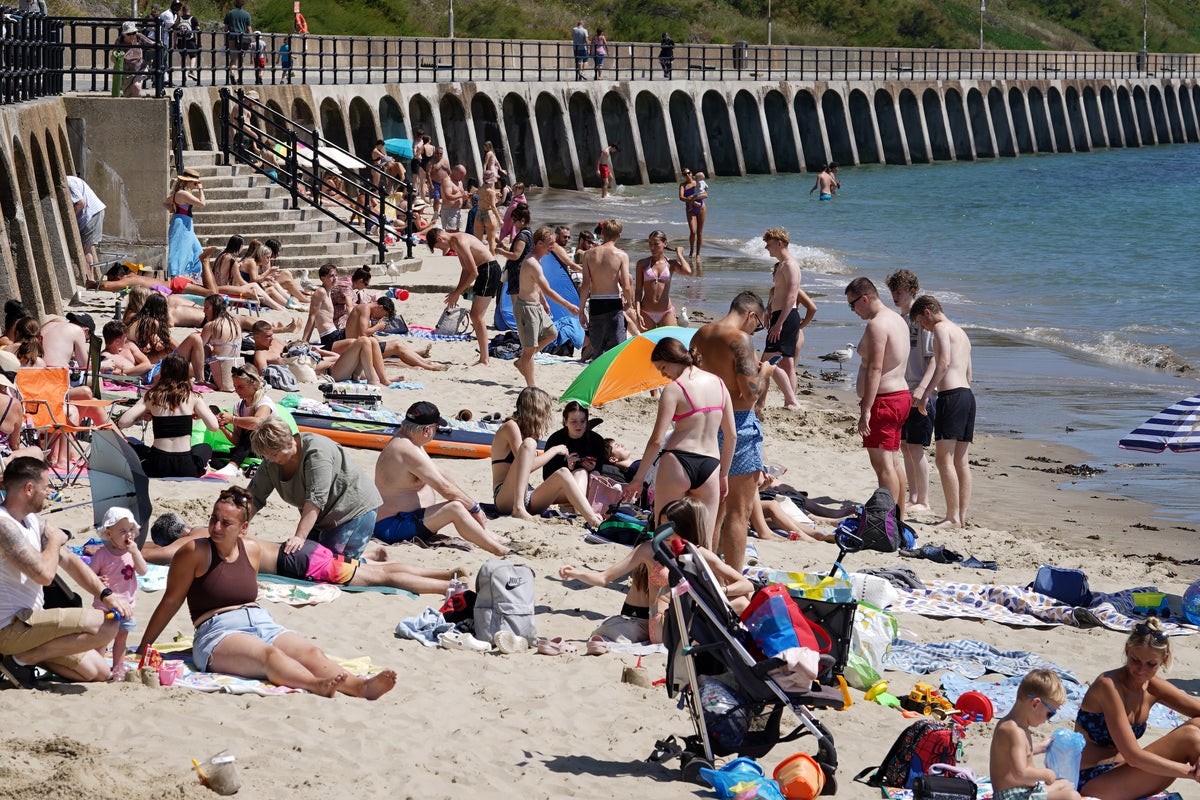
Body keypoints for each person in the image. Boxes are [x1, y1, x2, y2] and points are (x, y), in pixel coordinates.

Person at [135, 487, 397, 699]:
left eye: (226, 523)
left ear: (243, 528)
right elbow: (171, 601)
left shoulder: (252, 549)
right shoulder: (194, 552)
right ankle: (316, 684)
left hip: (260, 620)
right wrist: (145, 645)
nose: (216, 527)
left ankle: (361, 687)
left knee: (312, 653)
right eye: (214, 519)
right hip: (217, 631)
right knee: (269, 656)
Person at [0, 457, 130, 685]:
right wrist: (54, 540)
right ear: (29, 489)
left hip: (32, 622)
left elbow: (69, 560)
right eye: (45, 487)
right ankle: (20, 661)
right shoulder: (4, 525)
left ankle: (24, 658)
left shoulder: (32, 521)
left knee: (98, 671)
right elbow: (44, 575)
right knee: (107, 625)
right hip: (10, 627)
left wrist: (105, 595)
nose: (49, 493)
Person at [559, 497, 752, 644]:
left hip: (689, 616)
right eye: (661, 525)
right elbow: (604, 577)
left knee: (744, 600)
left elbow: (746, 584)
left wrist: (719, 592)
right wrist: (575, 573)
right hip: (663, 624)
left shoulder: (697, 552)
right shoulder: (650, 549)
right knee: (738, 605)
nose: (664, 532)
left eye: (670, 527)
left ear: (685, 527)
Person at [144, 510, 467, 597]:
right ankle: (443, 574)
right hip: (304, 550)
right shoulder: (209, 528)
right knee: (375, 569)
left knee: (380, 578)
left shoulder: (198, 539)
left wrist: (130, 548)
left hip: (299, 562)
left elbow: (164, 555)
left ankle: (446, 588)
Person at [690, 291, 774, 571]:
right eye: (758, 325)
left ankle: (709, 573)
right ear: (751, 315)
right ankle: (734, 579)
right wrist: (765, 373)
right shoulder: (740, 339)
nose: (755, 331)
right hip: (737, 423)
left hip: (704, 421)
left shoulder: (700, 334)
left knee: (714, 509)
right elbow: (750, 394)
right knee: (739, 512)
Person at [623, 337, 734, 545]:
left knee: (663, 536)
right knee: (704, 542)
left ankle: (665, 567)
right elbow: (731, 436)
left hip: (678, 461)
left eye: (663, 368)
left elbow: (657, 440)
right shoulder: (719, 384)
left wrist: (638, 478)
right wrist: (724, 474)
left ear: (672, 359)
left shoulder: (674, 389)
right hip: (710, 465)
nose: (663, 374)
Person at [1076, 618, 1200, 799]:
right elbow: (1133, 756)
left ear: (1163, 660)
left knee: (1197, 725)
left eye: (1151, 664)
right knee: (1190, 736)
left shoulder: (1153, 686)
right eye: (1135, 660)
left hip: (1124, 772)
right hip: (1090, 779)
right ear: (1127, 650)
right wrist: (1191, 772)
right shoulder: (1108, 686)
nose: (1141, 670)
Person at [373, 401, 509, 555]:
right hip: (392, 526)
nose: (436, 432)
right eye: (436, 428)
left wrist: (469, 504)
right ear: (426, 430)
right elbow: (444, 489)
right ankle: (498, 550)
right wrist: (475, 509)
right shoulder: (406, 450)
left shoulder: (409, 442)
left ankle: (487, 535)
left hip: (405, 519)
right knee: (455, 508)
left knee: (459, 502)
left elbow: (442, 477)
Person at [246, 416, 383, 560]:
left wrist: (299, 537)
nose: (271, 460)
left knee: (330, 565)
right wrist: (240, 525)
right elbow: (254, 497)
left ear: (289, 442)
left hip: (352, 512)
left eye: (274, 455)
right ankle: (370, 557)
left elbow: (316, 499)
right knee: (302, 561)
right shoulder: (271, 462)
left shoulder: (317, 451)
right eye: (267, 456)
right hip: (321, 518)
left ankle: (380, 564)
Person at [489, 387, 604, 527]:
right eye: (545, 411)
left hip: (528, 495)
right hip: (505, 498)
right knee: (530, 443)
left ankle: (592, 519)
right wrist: (554, 450)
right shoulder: (510, 426)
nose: (546, 416)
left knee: (564, 473)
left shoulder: (526, 432)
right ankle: (518, 508)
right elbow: (527, 467)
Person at [846, 276, 911, 522]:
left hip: (885, 399)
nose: (853, 310)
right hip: (900, 396)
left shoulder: (877, 325)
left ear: (864, 298)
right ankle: (898, 520)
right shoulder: (897, 320)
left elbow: (875, 368)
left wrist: (866, 409)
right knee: (893, 461)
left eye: (852, 304)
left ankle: (888, 523)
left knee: (883, 466)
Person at [911, 295, 975, 529]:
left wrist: (926, 393)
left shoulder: (940, 328)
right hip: (967, 396)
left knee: (943, 459)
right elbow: (969, 374)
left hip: (951, 396)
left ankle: (952, 517)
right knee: (961, 460)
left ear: (927, 312)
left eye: (921, 322)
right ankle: (961, 517)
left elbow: (943, 363)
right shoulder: (962, 333)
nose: (923, 328)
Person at [117, 353, 220, 478]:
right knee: (205, 447)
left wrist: (140, 416)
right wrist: (198, 413)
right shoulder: (193, 397)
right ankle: (202, 468)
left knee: (134, 445)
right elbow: (214, 426)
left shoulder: (152, 396)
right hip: (185, 466)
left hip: (158, 465)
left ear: (163, 372)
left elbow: (123, 422)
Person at [885, 270, 937, 514]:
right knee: (905, 445)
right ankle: (913, 495)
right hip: (903, 389)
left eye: (900, 291)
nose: (895, 296)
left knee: (916, 447)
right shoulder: (901, 319)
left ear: (912, 291)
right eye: (892, 292)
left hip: (920, 391)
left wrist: (924, 389)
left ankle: (923, 500)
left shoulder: (922, 321)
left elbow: (935, 358)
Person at [989, 669, 1081, 800]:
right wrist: (1046, 774)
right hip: (1012, 796)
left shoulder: (1015, 725)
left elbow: (1021, 751)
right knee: (1071, 796)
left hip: (1022, 791)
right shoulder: (1013, 731)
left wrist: (1042, 746)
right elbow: (1020, 773)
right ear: (1035, 704)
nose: (1047, 720)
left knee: (1066, 784)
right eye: (1050, 714)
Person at [514, 227, 579, 387]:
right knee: (530, 350)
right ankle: (531, 387)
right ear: (540, 243)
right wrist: (568, 305)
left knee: (552, 333)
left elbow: (536, 286)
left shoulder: (539, 260)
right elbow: (548, 289)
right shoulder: (532, 263)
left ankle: (522, 362)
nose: (553, 247)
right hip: (526, 308)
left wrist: (544, 302)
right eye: (550, 244)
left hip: (536, 306)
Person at [760, 227, 816, 411]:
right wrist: (769, 311)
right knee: (787, 363)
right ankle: (789, 401)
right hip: (781, 316)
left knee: (767, 362)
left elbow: (792, 296)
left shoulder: (790, 265)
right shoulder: (782, 265)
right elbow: (779, 295)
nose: (766, 248)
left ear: (780, 243)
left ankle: (789, 400)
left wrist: (779, 324)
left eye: (769, 244)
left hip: (786, 317)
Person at [87, 507, 148, 675]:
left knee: (121, 639)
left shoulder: (132, 553)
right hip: (105, 606)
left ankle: (118, 668)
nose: (129, 535)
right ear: (109, 533)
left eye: (131, 530)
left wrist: (135, 553)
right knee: (102, 638)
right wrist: (98, 580)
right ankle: (98, 668)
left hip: (126, 606)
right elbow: (88, 576)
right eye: (122, 531)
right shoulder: (102, 554)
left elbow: (143, 571)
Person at [430, 228, 503, 367]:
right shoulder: (454, 242)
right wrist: (456, 291)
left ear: (440, 239)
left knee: (477, 316)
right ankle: (484, 358)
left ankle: (485, 359)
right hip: (484, 271)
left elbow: (473, 272)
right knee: (476, 316)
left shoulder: (460, 241)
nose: (442, 250)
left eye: (439, 247)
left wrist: (457, 293)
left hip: (489, 270)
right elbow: (466, 269)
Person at [579, 218, 633, 358]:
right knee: (616, 350)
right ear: (619, 236)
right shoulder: (621, 255)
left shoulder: (588, 254)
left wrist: (581, 310)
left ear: (602, 233)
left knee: (598, 349)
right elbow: (626, 285)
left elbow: (585, 285)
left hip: (595, 303)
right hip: (613, 303)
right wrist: (629, 302)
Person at [126, 291, 206, 379]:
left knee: (170, 351)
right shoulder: (153, 323)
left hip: (139, 358)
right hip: (144, 360)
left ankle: (198, 371)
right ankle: (201, 375)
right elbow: (170, 342)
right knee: (190, 341)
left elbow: (147, 343)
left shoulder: (138, 319)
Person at [214, 363, 276, 468]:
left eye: (241, 387)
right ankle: (231, 467)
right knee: (208, 454)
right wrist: (223, 427)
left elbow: (258, 423)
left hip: (266, 450)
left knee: (251, 430)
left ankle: (233, 465)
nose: (237, 391)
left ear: (254, 384)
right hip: (247, 450)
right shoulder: (239, 406)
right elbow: (238, 441)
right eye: (235, 387)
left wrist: (233, 419)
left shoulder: (264, 402)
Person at [542, 401, 607, 494]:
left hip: (589, 486)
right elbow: (547, 476)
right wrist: (568, 467)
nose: (579, 425)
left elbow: (602, 468)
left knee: (594, 474)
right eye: (574, 421)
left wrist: (593, 468)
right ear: (565, 422)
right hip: (560, 489)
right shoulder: (556, 440)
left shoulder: (596, 440)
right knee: (581, 473)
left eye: (582, 421)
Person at [635, 229, 691, 333]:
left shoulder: (671, 264)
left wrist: (679, 254)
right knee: (647, 343)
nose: (652, 247)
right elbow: (638, 291)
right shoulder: (642, 264)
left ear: (665, 244)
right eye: (650, 244)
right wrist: (637, 312)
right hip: (646, 312)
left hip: (666, 312)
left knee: (669, 342)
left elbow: (687, 271)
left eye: (656, 244)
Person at [163, 168, 206, 280]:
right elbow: (202, 203)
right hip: (182, 224)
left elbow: (165, 203)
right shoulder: (184, 194)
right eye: (195, 183)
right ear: (188, 182)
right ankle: (176, 274)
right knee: (179, 248)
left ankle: (192, 274)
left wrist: (173, 210)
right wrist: (201, 189)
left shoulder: (179, 193)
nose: (196, 185)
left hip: (184, 222)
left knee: (197, 250)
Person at [66, 175, 105, 278]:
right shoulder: (71, 180)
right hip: (93, 213)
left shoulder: (68, 182)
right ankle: (91, 279)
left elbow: (80, 203)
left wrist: (69, 220)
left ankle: (90, 279)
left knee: (85, 249)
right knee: (86, 248)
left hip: (91, 214)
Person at [678, 168, 707, 261]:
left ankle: (698, 254)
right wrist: (692, 202)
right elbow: (681, 197)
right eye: (685, 174)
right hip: (690, 209)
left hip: (701, 207)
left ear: (691, 173)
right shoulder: (683, 185)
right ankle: (691, 251)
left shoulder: (697, 182)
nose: (687, 175)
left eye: (689, 173)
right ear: (683, 176)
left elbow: (705, 195)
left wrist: (694, 197)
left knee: (699, 232)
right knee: (693, 231)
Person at [222, 0, 252, 85]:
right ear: (243, 4)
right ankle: (240, 78)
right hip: (243, 39)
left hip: (232, 38)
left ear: (234, 3)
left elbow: (226, 28)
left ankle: (232, 73)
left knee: (233, 59)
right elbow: (249, 28)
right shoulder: (246, 14)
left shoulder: (229, 13)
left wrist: (225, 41)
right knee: (241, 59)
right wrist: (250, 40)